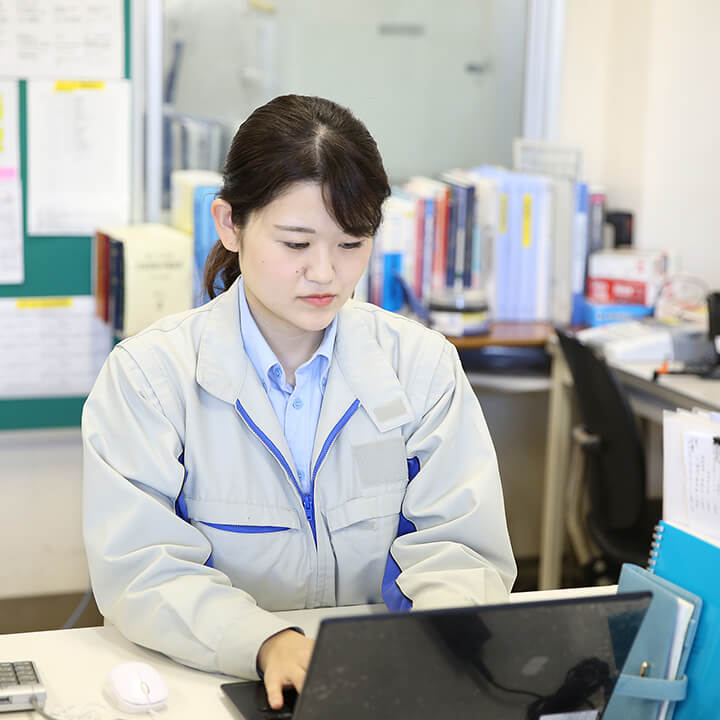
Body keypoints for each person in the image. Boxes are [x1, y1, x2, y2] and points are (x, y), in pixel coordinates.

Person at [82, 94, 516, 708]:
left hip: (381, 679)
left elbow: (459, 547)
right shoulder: (151, 378)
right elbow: (142, 567)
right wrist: (264, 640)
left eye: (351, 243)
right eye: (295, 244)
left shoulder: (421, 366)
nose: (325, 274)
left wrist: (436, 643)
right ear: (229, 224)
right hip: (207, 676)